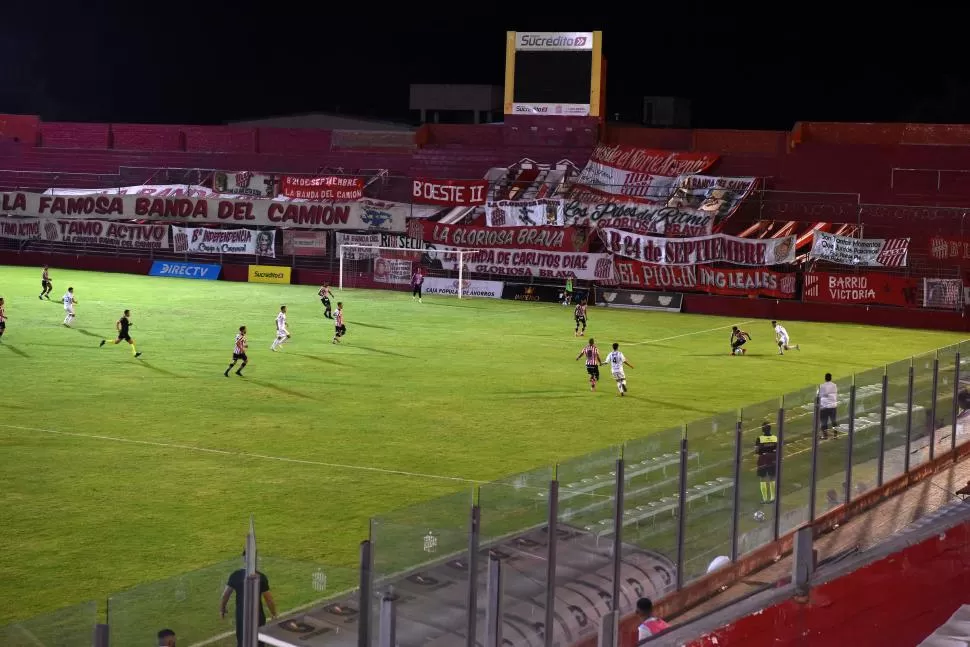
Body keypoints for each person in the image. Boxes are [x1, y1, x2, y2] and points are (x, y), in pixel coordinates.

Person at [220, 552, 278, 647]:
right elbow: (269, 599)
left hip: (241, 617)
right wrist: (274, 613)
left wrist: (222, 609)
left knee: (242, 641)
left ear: (244, 560)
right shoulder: (261, 577)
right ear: (255, 560)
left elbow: (225, 595)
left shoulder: (235, 575)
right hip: (257, 617)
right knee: (258, 641)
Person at [755, 421, 778, 504]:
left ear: (763, 429)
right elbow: (777, 449)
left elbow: (757, 450)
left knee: (762, 479)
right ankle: (772, 497)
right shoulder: (775, 438)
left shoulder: (759, 438)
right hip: (773, 459)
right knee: (772, 477)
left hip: (762, 459)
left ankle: (765, 499)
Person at [818, 373, 839, 439]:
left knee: (824, 421)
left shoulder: (822, 386)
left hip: (824, 406)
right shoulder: (834, 385)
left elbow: (819, 395)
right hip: (833, 406)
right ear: (831, 378)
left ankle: (825, 435)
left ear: (825, 378)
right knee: (833, 421)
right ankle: (835, 434)